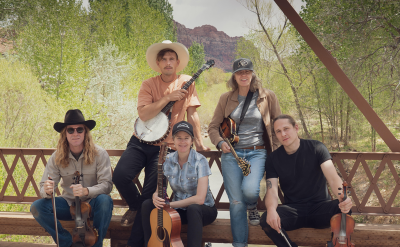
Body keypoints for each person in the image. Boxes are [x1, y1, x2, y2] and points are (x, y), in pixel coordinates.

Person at [112, 40, 210, 247]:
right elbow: (144, 114)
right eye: (163, 59)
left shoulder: (186, 81)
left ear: (177, 62)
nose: (167, 63)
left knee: (150, 196)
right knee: (120, 176)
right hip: (141, 141)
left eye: (171, 59)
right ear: (158, 63)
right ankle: (135, 206)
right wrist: (168, 98)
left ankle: (135, 244)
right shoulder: (149, 84)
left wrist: (199, 142)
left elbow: (192, 114)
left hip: (166, 148)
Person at [208, 58, 281, 247]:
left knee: (250, 190)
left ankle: (252, 205)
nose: (244, 75)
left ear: (252, 74)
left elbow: (278, 124)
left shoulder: (267, 96)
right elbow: (213, 127)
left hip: (257, 152)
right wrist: (219, 143)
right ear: (234, 76)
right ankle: (239, 244)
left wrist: (280, 150)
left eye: (247, 72)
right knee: (236, 203)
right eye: (240, 72)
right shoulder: (226, 98)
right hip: (231, 155)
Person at [260, 114, 353, 247]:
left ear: (296, 128)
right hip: (294, 212)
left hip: (320, 209)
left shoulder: (317, 148)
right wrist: (271, 210)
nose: (283, 134)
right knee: (265, 220)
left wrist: (342, 198)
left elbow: (333, 179)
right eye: (278, 131)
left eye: (286, 129)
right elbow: (272, 191)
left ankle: (335, 245)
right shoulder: (273, 158)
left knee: (344, 209)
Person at [30, 109, 113, 247]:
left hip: (92, 204)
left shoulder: (100, 154)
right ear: (65, 134)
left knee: (106, 201)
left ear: (85, 132)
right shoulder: (56, 157)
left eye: (79, 129)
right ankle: (67, 243)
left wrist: (86, 191)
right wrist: (47, 190)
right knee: (37, 207)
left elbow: (107, 185)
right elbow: (44, 187)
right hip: (69, 205)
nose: (75, 134)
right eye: (71, 130)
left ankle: (96, 244)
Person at [142, 121, 218, 247]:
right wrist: (155, 197)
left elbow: (199, 199)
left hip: (204, 210)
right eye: (179, 138)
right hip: (179, 211)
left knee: (193, 209)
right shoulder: (167, 160)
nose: (183, 142)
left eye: (186, 138)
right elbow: (159, 189)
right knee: (147, 205)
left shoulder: (201, 161)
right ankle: (150, 244)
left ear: (192, 140)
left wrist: (170, 204)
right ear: (173, 140)